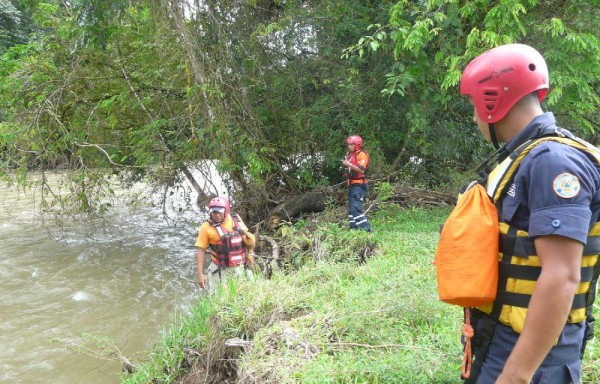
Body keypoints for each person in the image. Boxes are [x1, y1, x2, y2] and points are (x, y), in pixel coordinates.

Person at [458, 43, 600, 383]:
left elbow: (562, 275)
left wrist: (517, 375)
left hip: (531, 353)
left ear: (492, 101)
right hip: (500, 337)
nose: (475, 117)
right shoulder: (527, 157)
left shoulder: (553, 162)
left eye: (474, 105)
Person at [195, 196, 256, 294]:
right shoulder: (206, 228)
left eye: (220, 211)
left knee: (247, 294)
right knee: (219, 299)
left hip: (241, 266)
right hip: (220, 269)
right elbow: (200, 251)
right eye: (214, 212)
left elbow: (248, 241)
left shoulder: (236, 219)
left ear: (226, 210)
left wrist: (250, 256)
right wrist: (200, 274)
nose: (216, 215)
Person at [342, 135, 372, 231]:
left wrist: (349, 164)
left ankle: (366, 230)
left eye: (351, 145)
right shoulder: (350, 155)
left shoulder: (362, 155)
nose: (349, 146)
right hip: (351, 184)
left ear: (357, 145)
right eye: (348, 144)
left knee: (356, 208)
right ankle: (354, 229)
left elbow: (361, 170)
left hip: (359, 185)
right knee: (351, 209)